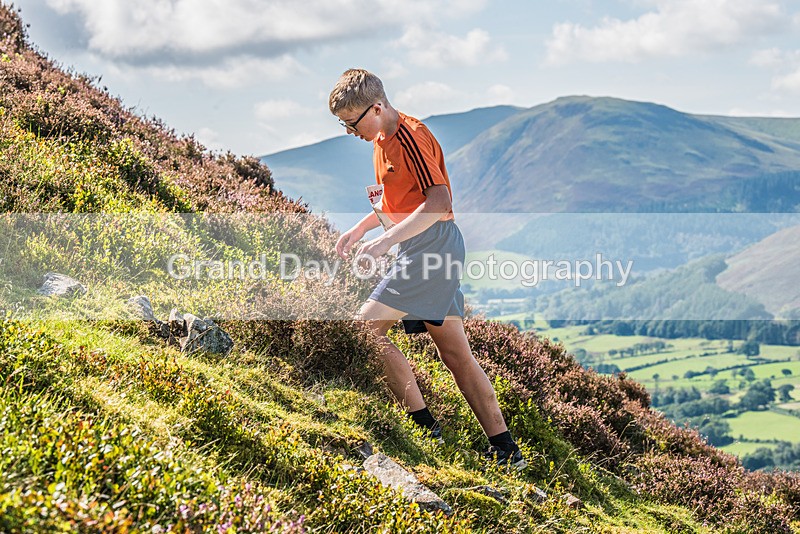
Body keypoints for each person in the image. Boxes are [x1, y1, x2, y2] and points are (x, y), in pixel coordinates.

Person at [328, 68, 526, 469]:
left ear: (376, 108)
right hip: (426, 247)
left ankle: (424, 429)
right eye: (342, 125)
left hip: (431, 248)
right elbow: (398, 203)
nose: (349, 131)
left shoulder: (410, 136)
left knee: (365, 331)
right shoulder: (380, 140)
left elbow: (438, 203)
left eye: (351, 122)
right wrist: (362, 228)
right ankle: (506, 451)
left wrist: (385, 241)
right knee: (455, 353)